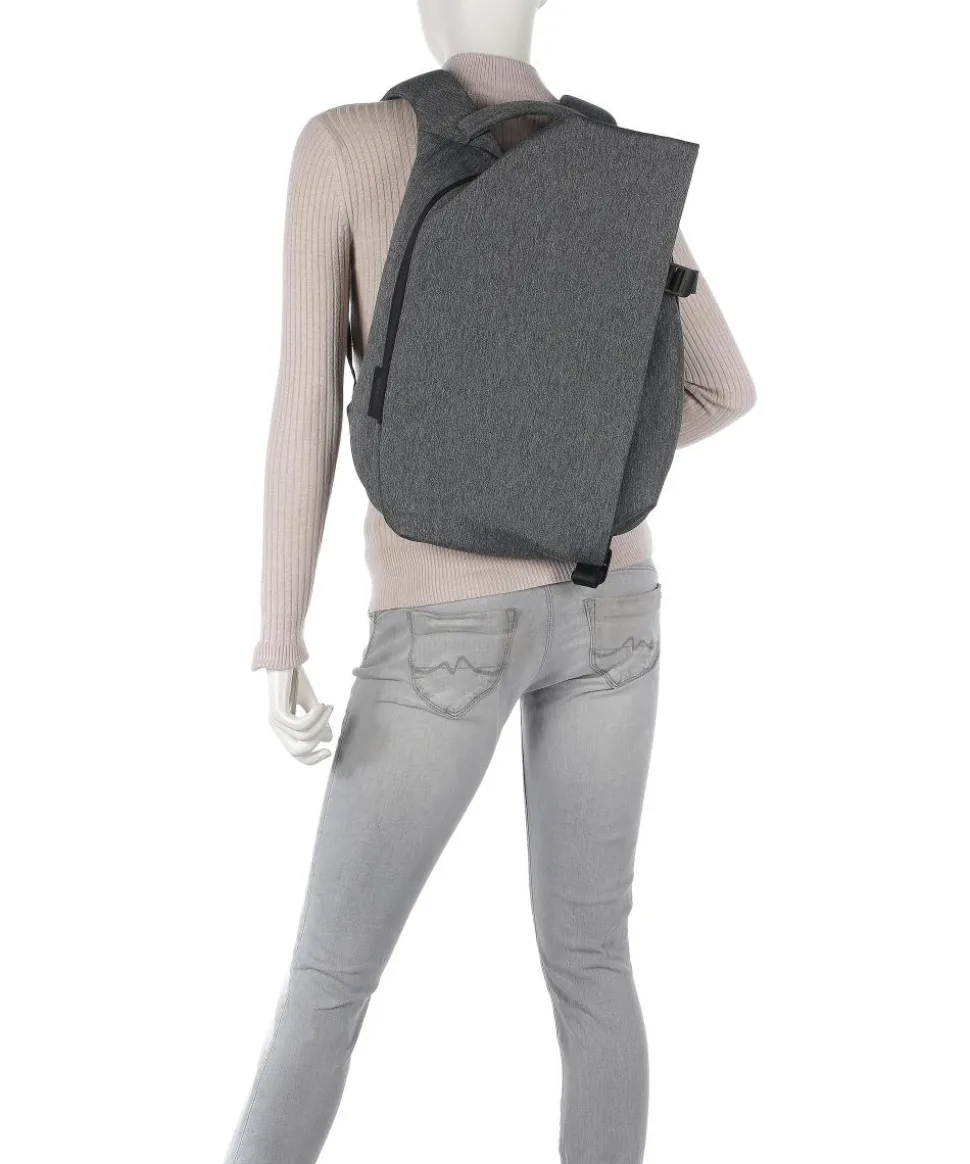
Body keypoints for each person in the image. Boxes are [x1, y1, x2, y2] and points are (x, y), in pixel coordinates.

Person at [228, 43, 756, 1164]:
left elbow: (306, 398)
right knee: (593, 964)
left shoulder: (346, 142)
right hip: (615, 604)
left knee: (330, 978)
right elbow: (722, 387)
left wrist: (280, 636)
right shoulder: (611, 163)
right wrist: (569, 468)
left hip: (443, 622)